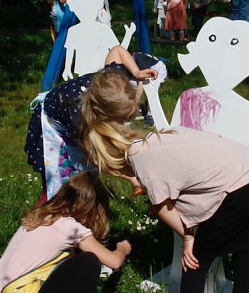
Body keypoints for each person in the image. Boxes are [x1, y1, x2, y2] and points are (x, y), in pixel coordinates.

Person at [79, 68, 249, 293]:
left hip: (237, 192)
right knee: (246, 266)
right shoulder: (163, 139)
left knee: (195, 261)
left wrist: (188, 237)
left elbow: (162, 207)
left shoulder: (141, 158)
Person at [0, 171, 132, 293]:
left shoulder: (43, 213)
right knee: (90, 262)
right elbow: (114, 262)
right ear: (92, 208)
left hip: (0, 292)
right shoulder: (70, 228)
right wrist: (122, 248)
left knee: (74, 260)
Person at [25, 45, 159, 201]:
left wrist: (136, 73)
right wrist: (131, 175)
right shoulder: (78, 114)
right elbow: (98, 155)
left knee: (84, 178)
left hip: (70, 117)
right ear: (101, 112)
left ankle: (77, 212)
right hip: (51, 123)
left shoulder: (113, 77)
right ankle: (41, 216)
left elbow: (117, 50)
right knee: (58, 184)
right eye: (121, 118)